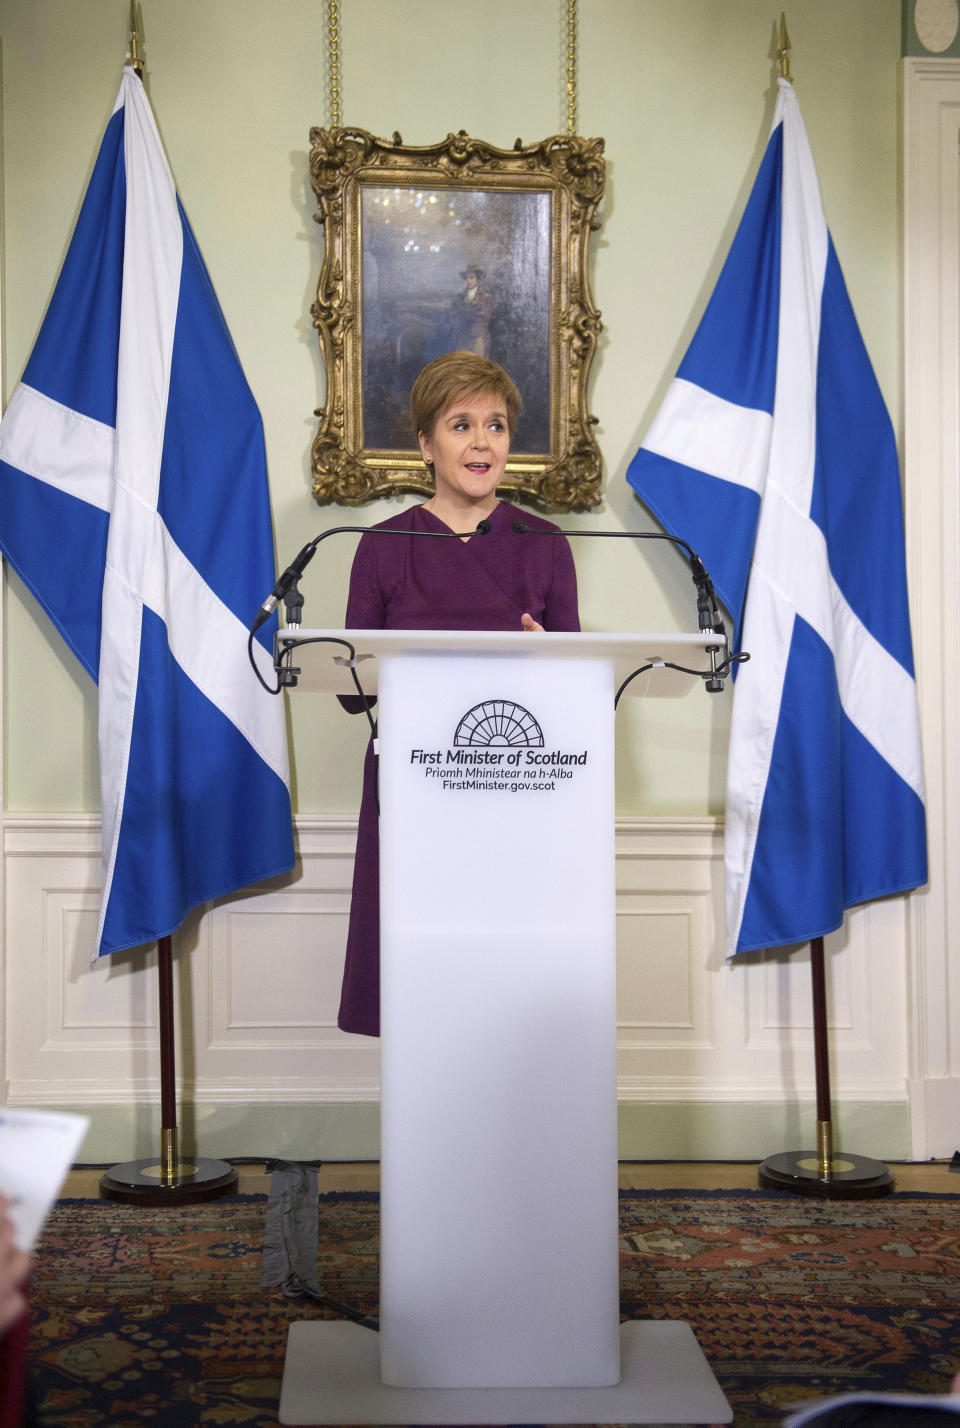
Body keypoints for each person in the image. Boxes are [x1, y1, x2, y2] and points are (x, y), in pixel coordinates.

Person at [338, 351, 580, 1036]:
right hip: (417, 788)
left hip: (520, 786)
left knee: (505, 988)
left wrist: (547, 665)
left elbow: (578, 693)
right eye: (461, 424)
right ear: (425, 443)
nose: (482, 442)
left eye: (497, 425)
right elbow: (351, 696)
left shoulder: (546, 545)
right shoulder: (384, 546)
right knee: (425, 987)